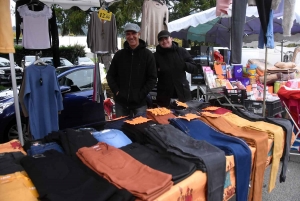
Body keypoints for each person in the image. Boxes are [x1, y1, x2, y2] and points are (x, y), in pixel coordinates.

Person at [106, 23, 157, 117]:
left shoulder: (148, 55)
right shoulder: (119, 55)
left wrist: (141, 95)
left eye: (134, 33)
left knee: (139, 130)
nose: (131, 36)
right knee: (121, 129)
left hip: (139, 104)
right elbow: (110, 75)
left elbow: (152, 78)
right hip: (121, 103)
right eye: (128, 34)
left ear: (139, 34)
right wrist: (116, 91)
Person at [154, 30, 198, 107]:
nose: (164, 41)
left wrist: (184, 65)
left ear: (171, 38)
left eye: (166, 38)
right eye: (161, 40)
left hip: (183, 94)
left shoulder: (181, 51)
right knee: (165, 118)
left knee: (184, 117)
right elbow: (152, 74)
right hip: (164, 96)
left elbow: (195, 68)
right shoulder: (155, 56)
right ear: (159, 42)